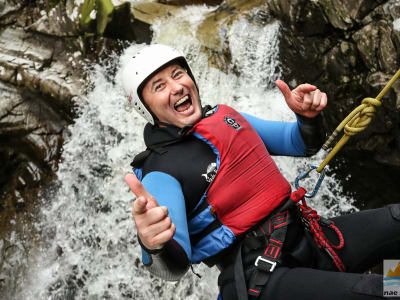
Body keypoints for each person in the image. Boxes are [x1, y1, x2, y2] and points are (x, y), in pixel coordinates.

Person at [122, 44, 400, 299]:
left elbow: (300, 143)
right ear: (146, 108)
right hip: (260, 279)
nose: (177, 87)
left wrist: (307, 118)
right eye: (159, 86)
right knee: (380, 293)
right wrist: (153, 243)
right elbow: (173, 268)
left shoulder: (223, 118)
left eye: (178, 74)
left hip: (309, 239)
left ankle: (393, 283)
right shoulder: (159, 172)